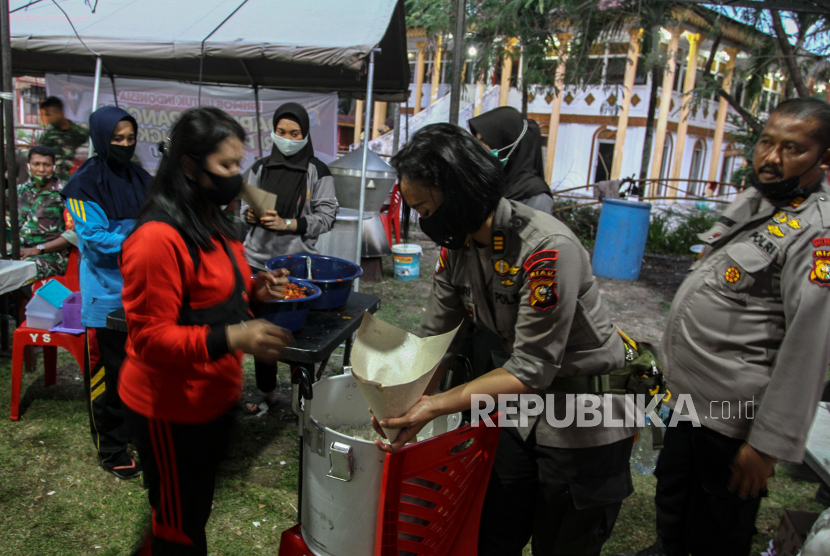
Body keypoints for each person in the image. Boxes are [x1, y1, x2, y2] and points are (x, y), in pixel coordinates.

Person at [375, 123, 640, 555]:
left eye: (424, 208)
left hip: (582, 423)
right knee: (493, 534)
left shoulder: (545, 249)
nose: (423, 221)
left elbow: (531, 368)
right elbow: (435, 337)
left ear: (457, 192)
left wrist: (434, 405)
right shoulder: (459, 247)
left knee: (563, 544)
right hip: (518, 417)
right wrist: (402, 406)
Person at [617, 98, 830, 556]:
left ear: (823, 160)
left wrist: (767, 446)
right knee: (673, 503)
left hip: (735, 424)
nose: (771, 158)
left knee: (715, 531)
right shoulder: (757, 201)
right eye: (766, 142)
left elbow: (808, 347)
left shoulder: (817, 230)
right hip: (691, 403)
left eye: (791, 149)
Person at [119, 106, 292, 555]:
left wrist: (256, 292)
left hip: (212, 399)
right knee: (179, 531)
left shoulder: (214, 220)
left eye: (239, 164)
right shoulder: (157, 238)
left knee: (187, 513)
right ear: (190, 166)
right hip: (169, 407)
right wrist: (235, 337)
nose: (238, 176)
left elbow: (214, 297)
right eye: (227, 166)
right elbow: (151, 339)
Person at [61, 106, 151, 480]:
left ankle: (137, 435)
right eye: (117, 139)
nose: (125, 146)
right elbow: (95, 241)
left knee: (140, 371)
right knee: (107, 376)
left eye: (130, 139)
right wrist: (143, 240)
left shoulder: (141, 178)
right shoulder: (84, 184)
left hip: (142, 293)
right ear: (101, 138)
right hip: (105, 296)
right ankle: (111, 447)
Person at [240, 102, 337, 414]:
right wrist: (253, 215)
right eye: (281, 132)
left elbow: (327, 216)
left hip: (296, 265)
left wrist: (290, 224)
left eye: (294, 133)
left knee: (298, 334)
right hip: (256, 260)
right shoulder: (260, 167)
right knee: (262, 330)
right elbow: (243, 210)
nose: (287, 138)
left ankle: (302, 397)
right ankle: (266, 391)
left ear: (305, 134)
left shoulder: (317, 171)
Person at [468, 106, 553, 213]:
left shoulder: (536, 197)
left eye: (484, 140)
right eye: (477, 140)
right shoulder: (491, 185)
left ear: (507, 142)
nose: (478, 147)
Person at [16, 146, 76, 280]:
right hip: (21, 252)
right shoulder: (21, 192)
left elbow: (74, 234)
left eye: (46, 165)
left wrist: (37, 249)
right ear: (28, 167)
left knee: (16, 272)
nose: (41, 170)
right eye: (36, 164)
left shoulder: (66, 194)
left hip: (51, 257)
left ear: (54, 168)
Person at [39, 96, 89, 183]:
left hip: (77, 183)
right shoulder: (48, 138)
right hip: (54, 186)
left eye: (48, 114)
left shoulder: (82, 134)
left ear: (59, 113)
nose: (47, 119)